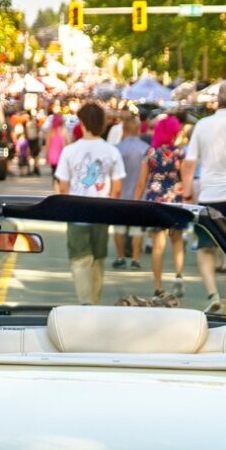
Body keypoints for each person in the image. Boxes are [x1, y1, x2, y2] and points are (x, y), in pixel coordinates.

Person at [180, 80, 226, 314]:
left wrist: (186, 190)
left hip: (209, 193)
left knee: (205, 248)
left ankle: (213, 294)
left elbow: (189, 162)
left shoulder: (203, 125)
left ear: (218, 98)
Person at [55, 102, 126, 305]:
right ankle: (94, 301)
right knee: (98, 259)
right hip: (102, 211)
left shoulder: (70, 151)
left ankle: (85, 301)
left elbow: (62, 186)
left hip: (76, 211)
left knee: (79, 259)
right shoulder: (111, 151)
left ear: (83, 123)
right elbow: (118, 187)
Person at [135, 115, 187, 304]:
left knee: (158, 244)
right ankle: (179, 275)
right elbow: (184, 176)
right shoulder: (180, 153)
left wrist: (135, 203)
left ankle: (158, 286)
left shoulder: (151, 153)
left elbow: (141, 182)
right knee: (177, 239)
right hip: (175, 197)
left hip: (155, 199)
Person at [111, 112, 151, 271]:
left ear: (124, 129)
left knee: (119, 229)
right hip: (140, 195)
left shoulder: (117, 149)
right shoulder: (147, 149)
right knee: (137, 230)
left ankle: (121, 257)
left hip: (121, 195)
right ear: (138, 130)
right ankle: (135, 259)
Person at [42, 113, 68, 181]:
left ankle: (56, 185)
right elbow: (68, 143)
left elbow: (47, 145)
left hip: (52, 156)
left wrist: (46, 155)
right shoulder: (64, 131)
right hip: (62, 155)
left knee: (54, 173)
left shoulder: (50, 131)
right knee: (61, 174)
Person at [24, 110, 41, 175]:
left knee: (33, 155)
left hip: (32, 139)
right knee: (33, 155)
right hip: (32, 139)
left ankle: (34, 168)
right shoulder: (32, 122)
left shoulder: (29, 122)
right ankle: (34, 168)